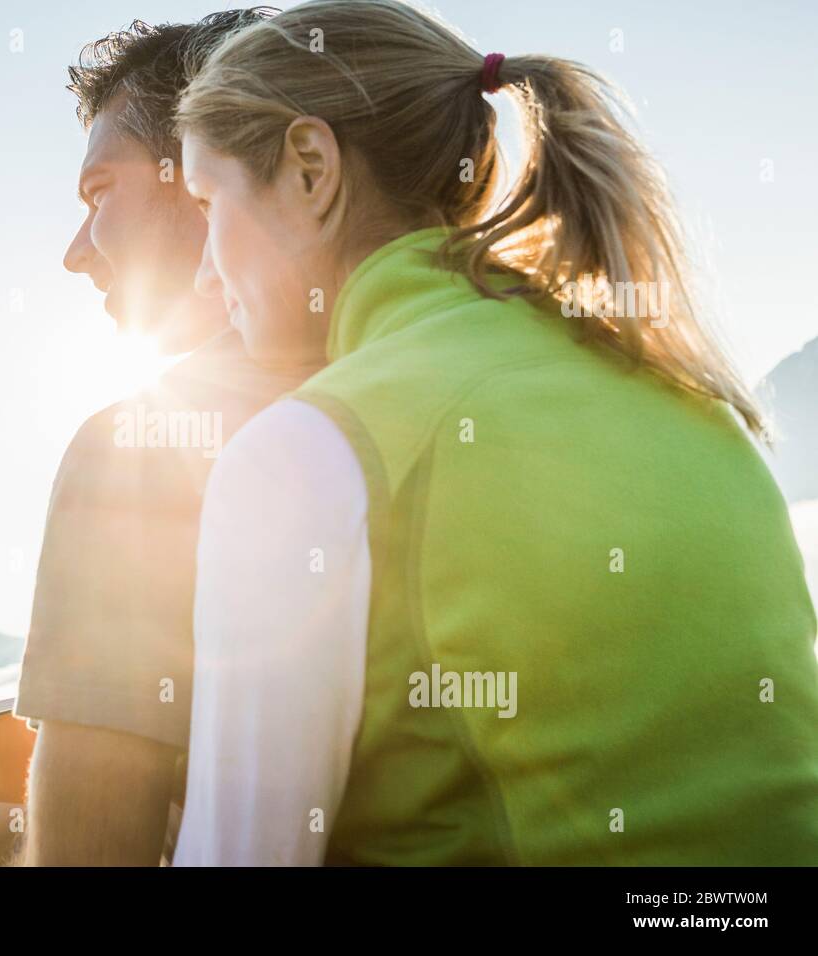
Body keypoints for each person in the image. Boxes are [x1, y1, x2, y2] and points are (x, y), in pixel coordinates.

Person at [172, 0, 818, 865]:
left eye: (208, 201)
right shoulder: (694, 400)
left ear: (310, 169)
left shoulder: (306, 454)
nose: (209, 270)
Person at [0, 8, 319, 866]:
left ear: (199, 172)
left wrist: (12, 839)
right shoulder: (434, 372)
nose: (77, 251)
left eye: (100, 193)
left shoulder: (133, 454)